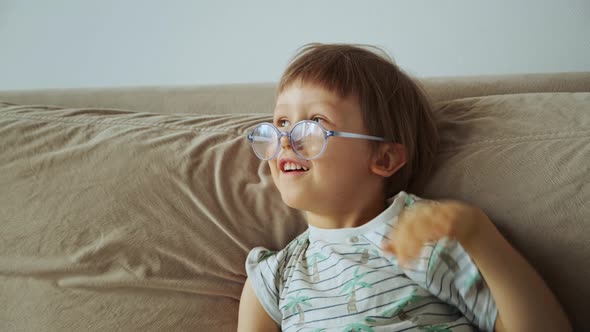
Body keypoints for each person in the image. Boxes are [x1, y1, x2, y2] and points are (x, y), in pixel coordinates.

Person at [238, 43, 570, 332]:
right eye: (282, 122)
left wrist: (478, 233)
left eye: (314, 125)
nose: (285, 141)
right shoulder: (271, 278)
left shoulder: (428, 235)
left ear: (383, 158)